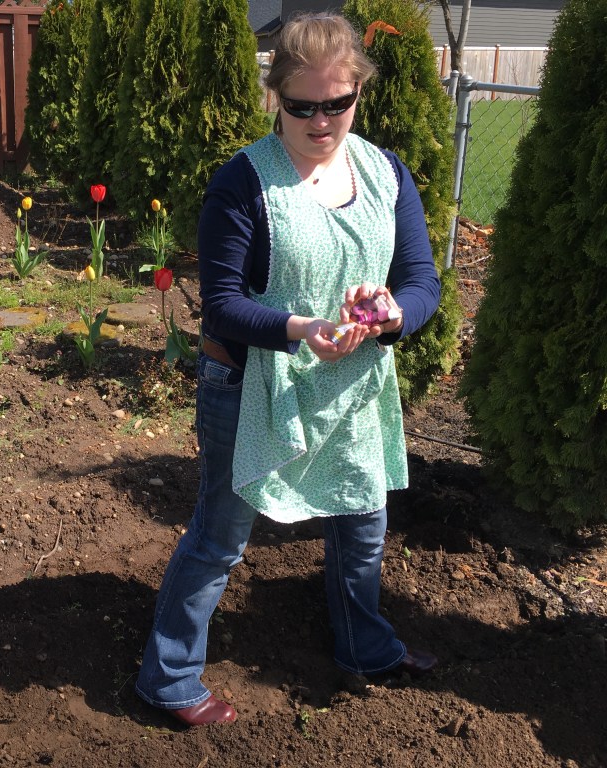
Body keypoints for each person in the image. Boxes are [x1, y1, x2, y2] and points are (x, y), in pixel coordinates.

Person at [135, 13, 442, 727]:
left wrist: (392, 312)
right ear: (275, 95)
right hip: (250, 386)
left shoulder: (385, 174)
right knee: (220, 536)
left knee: (361, 521)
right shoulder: (244, 183)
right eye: (301, 106)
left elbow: (422, 278)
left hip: (351, 384)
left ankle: (365, 646)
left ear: (358, 91)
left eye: (337, 103)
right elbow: (222, 307)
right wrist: (302, 329)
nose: (320, 121)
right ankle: (167, 679)